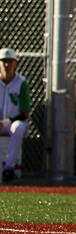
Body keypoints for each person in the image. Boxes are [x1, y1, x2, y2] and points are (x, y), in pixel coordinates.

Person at [1, 48, 32, 182]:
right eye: (4, 62)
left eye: (10, 62)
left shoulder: (21, 83)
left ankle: (9, 169)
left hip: (13, 123)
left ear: (16, 64)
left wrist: (5, 123)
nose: (7, 65)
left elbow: (24, 114)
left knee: (18, 127)